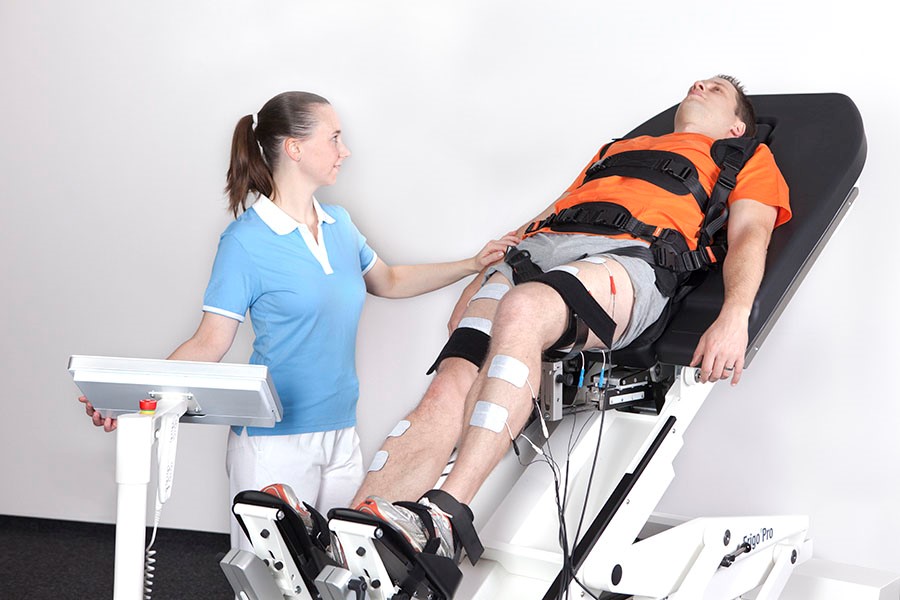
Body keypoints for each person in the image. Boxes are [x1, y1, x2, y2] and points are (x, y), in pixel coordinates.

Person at [348, 76, 792, 559]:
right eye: (699, 82)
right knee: (453, 375)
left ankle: (443, 516)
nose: (700, 85)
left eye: (717, 89)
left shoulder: (744, 157)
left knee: (524, 308)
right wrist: (491, 266)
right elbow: (553, 212)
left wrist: (734, 316)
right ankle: (354, 534)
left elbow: (750, 236)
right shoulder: (619, 149)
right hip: (537, 254)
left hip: (630, 260)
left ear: (736, 126)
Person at [78, 91, 518, 550]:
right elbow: (209, 342)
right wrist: (132, 398)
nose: (345, 151)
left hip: (341, 435)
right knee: (271, 578)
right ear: (294, 148)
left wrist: (471, 264)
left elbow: (388, 280)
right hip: (273, 445)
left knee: (342, 571)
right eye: (334, 138)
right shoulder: (245, 241)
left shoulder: (339, 224)